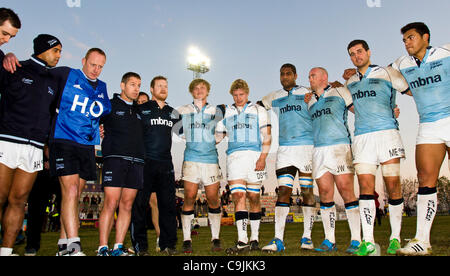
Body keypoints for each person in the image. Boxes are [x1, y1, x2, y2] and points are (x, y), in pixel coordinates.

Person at [342, 39, 410, 256]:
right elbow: (352, 106)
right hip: (362, 138)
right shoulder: (350, 81)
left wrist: (392, 109)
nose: (356, 56)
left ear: (369, 52)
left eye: (359, 52)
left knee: (393, 186)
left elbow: (410, 90)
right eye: (352, 54)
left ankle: (395, 238)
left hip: (387, 134)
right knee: (365, 189)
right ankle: (368, 241)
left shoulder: (387, 72)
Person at [0, 33, 63, 257]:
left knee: (18, 200)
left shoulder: (54, 81)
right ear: (42, 50)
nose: (59, 56)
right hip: (7, 141)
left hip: (34, 147)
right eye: (56, 50)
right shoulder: (15, 67)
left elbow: (55, 115)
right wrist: (5, 55)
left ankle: (6, 251)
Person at [390, 22, 450, 256]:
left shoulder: (445, 52)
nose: (407, 43)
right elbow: (383, 76)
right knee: (425, 179)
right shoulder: (401, 64)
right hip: (428, 125)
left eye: (411, 37)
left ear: (426, 37)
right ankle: (421, 241)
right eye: (404, 39)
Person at [49, 48, 111, 256]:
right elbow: (39, 74)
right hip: (64, 138)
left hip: (87, 145)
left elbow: (101, 114)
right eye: (93, 64)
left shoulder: (102, 88)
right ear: (84, 60)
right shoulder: (67, 74)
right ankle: (74, 247)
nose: (96, 70)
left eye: (101, 66)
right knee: (71, 191)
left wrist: (99, 126)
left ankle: (62, 246)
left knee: (73, 196)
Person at [258, 64, 317, 252]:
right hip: (284, 149)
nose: (285, 77)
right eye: (282, 74)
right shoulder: (274, 96)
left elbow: (327, 93)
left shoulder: (307, 91)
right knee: (283, 191)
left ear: (295, 75)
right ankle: (278, 240)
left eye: (288, 74)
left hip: (307, 147)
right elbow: (258, 107)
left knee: (307, 192)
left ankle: (307, 237)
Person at [304, 67, 361, 253]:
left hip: (340, 147)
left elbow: (358, 110)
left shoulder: (340, 91)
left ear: (324, 77)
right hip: (319, 150)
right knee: (325, 193)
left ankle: (356, 240)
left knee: (346, 191)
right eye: (309, 76)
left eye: (313, 75)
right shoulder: (310, 100)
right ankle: (330, 240)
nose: (310, 78)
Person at [216, 79, 272, 254]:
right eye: (235, 95)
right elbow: (217, 137)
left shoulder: (258, 109)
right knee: (238, 196)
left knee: (254, 198)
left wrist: (263, 158)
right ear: (232, 95)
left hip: (255, 157)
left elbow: (267, 136)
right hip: (234, 158)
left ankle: (255, 238)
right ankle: (242, 240)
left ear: (247, 94)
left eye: (241, 94)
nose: (239, 98)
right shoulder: (226, 112)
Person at [130, 76, 181, 256]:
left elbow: (187, 132)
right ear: (151, 89)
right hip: (145, 163)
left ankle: (168, 244)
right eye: (159, 86)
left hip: (166, 164)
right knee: (139, 206)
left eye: (165, 86)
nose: (163, 88)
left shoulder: (173, 112)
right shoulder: (141, 109)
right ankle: (141, 247)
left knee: (168, 206)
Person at [97, 72, 145, 256]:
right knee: (111, 202)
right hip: (115, 159)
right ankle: (102, 247)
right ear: (122, 85)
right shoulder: (109, 104)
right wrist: (98, 131)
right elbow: (93, 121)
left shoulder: (139, 110)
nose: (136, 89)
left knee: (126, 205)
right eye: (132, 84)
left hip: (137, 162)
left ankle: (117, 247)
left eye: (139, 85)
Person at [177, 78, 224, 254]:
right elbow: (177, 131)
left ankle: (215, 237)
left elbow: (220, 134)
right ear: (191, 91)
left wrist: (209, 140)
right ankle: (187, 239)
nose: (199, 90)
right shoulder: (183, 110)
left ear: (208, 90)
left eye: (202, 87)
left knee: (213, 199)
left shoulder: (216, 111)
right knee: (189, 197)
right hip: (191, 159)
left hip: (211, 159)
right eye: (196, 88)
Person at [136, 91, 161, 251]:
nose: (142, 104)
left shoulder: (152, 119)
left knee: (154, 202)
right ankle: (134, 242)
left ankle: (160, 237)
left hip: (150, 164)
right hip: (134, 164)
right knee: (132, 204)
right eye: (139, 102)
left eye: (145, 101)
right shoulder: (132, 118)